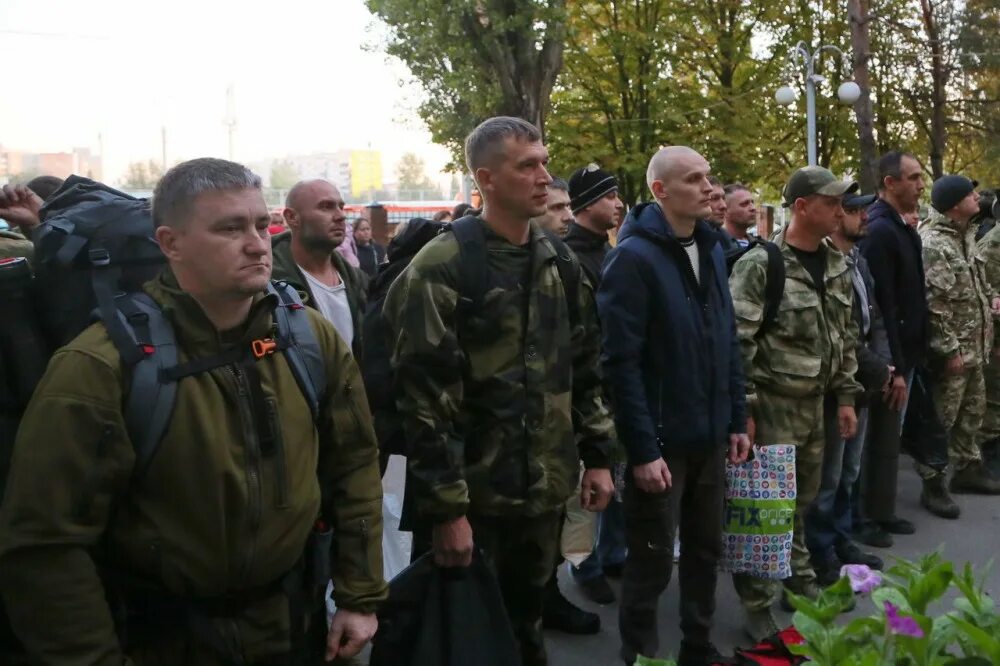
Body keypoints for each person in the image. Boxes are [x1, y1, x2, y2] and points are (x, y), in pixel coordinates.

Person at [0, 158, 387, 664]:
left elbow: (354, 464)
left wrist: (359, 596)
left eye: (258, 223)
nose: (256, 243)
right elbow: (45, 544)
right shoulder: (100, 367)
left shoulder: (307, 339)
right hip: (163, 640)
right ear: (171, 242)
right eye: (229, 228)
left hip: (293, 625)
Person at [384, 116, 615, 666]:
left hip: (542, 492)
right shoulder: (443, 267)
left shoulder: (558, 260)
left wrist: (600, 456)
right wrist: (446, 512)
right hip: (475, 500)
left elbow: (584, 367)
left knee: (527, 629)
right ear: (486, 179)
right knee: (465, 640)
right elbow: (424, 403)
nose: (544, 177)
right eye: (527, 166)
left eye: (544, 162)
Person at [599, 147, 750, 666]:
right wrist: (642, 450)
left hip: (709, 436)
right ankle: (640, 655)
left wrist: (735, 418)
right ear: (661, 191)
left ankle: (698, 647)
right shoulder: (633, 258)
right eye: (694, 179)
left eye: (710, 176)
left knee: (705, 552)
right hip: (661, 446)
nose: (711, 188)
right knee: (651, 560)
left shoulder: (710, 247)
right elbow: (621, 363)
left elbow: (726, 339)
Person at [729, 166, 861, 641]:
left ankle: (797, 581)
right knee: (764, 508)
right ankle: (757, 605)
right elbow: (738, 341)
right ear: (803, 206)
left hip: (816, 406)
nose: (840, 212)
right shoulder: (762, 264)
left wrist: (846, 396)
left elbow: (844, 338)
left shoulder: (837, 263)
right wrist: (742, 408)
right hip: (772, 406)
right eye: (832, 203)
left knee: (802, 503)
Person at [805, 191, 890, 585]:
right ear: (837, 218)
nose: (862, 217)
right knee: (829, 475)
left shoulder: (858, 261)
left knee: (849, 471)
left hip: (863, 382)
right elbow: (840, 334)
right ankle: (819, 548)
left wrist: (884, 365)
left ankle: (840, 538)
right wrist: (877, 367)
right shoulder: (824, 264)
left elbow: (875, 320)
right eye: (855, 211)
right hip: (840, 384)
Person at [858, 151, 937, 533]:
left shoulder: (899, 227)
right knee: (877, 439)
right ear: (890, 182)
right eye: (914, 177)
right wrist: (893, 367)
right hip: (888, 359)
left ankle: (880, 512)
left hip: (905, 354)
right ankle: (868, 516)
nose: (921, 185)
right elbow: (882, 306)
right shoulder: (879, 230)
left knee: (889, 438)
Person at [561, 164, 627, 607]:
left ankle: (612, 553)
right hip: (588, 391)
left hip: (616, 386)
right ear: (586, 206)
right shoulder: (569, 258)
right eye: (609, 197)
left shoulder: (611, 253)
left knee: (616, 475)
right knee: (588, 482)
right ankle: (585, 563)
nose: (618, 204)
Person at [920, 175, 1000, 494]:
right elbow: (934, 304)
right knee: (943, 417)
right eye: (971, 194)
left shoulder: (964, 235)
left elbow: (976, 284)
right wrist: (949, 350)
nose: (978, 197)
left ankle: (967, 470)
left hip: (976, 345)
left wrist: (992, 297)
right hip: (955, 351)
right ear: (955, 205)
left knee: (972, 411)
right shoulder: (935, 243)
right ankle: (933, 481)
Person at [271, 179, 367, 359]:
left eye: (340, 206)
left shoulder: (358, 282)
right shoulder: (268, 287)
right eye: (326, 207)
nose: (340, 216)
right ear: (292, 217)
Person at [975, 195, 1000, 479]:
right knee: (993, 403)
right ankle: (988, 456)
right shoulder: (993, 245)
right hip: (995, 342)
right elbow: (988, 296)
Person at [723, 183, 757, 248]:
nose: (753, 208)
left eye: (752, 202)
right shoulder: (714, 247)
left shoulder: (759, 245)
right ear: (725, 210)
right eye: (745, 204)